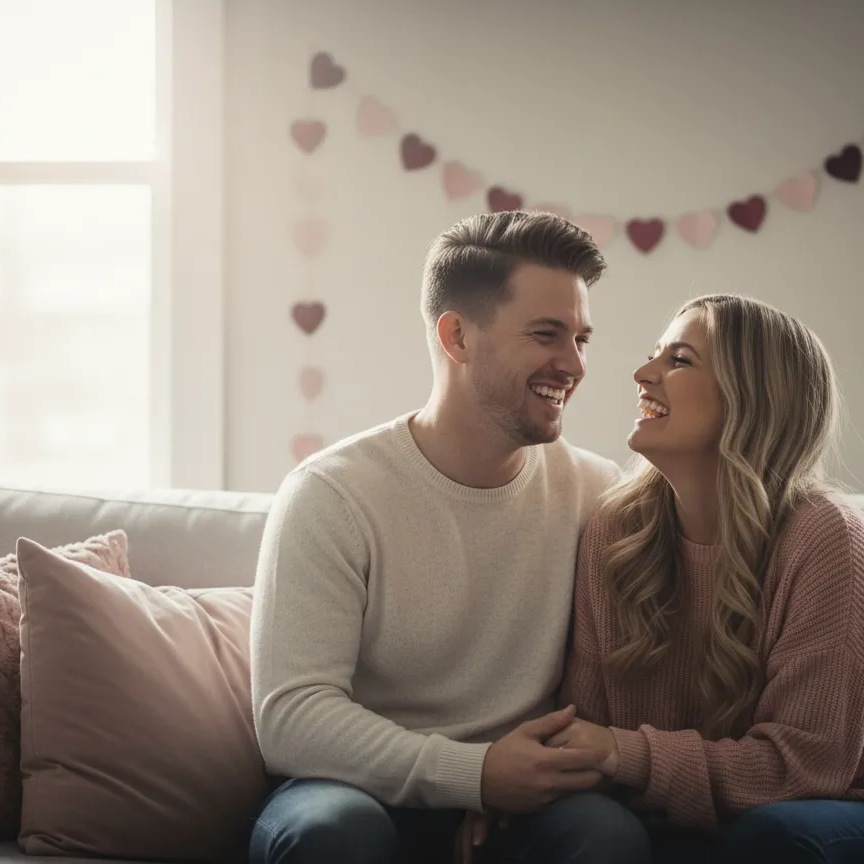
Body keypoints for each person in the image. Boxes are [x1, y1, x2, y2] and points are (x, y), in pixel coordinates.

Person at [248, 211, 643, 864]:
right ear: (457, 336)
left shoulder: (596, 492)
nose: (573, 364)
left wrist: (513, 786)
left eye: (581, 339)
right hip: (354, 791)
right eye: (548, 335)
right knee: (329, 834)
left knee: (606, 835)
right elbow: (291, 718)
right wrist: (475, 776)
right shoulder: (332, 494)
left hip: (522, 800)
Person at [544, 294, 864, 864]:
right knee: (582, 822)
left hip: (854, 812)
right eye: (653, 356)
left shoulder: (829, 540)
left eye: (680, 360)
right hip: (685, 813)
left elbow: (808, 768)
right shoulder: (613, 533)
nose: (643, 375)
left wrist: (626, 753)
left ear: (752, 398)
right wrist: (519, 787)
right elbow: (589, 729)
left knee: (772, 838)